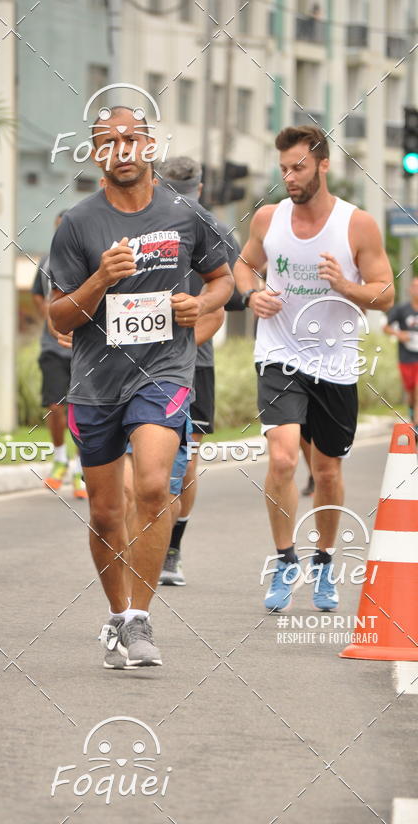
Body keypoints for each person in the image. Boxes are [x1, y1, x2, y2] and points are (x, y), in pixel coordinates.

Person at [49, 106, 234, 668]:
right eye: (109, 142)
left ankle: (140, 619)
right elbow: (59, 315)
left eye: (132, 139)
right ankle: (116, 614)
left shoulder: (184, 214)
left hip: (165, 372)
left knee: (154, 487)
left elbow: (223, 278)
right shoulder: (79, 225)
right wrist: (101, 279)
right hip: (97, 382)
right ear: (96, 153)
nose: (122, 149)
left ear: (149, 146)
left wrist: (199, 304)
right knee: (106, 512)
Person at [234, 125, 393, 613]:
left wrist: (345, 285)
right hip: (280, 353)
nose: (290, 176)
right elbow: (243, 265)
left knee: (326, 470)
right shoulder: (268, 217)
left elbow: (385, 292)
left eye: (299, 166)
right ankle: (285, 560)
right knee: (282, 459)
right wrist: (251, 293)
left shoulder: (357, 224)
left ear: (323, 165)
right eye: (284, 168)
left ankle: (323, 561)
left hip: (336, 361)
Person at [153, 156, 243, 586]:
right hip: (137, 359)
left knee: (182, 457)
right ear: (202, 187)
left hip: (194, 362)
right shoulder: (143, 226)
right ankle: (155, 543)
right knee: (160, 459)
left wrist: (181, 346)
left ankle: (171, 549)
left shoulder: (215, 231)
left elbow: (230, 295)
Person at [32, 212, 86, 499]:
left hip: (85, 349)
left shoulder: (91, 255)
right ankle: (60, 459)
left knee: (81, 409)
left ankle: (80, 468)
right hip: (52, 347)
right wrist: (50, 320)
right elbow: (38, 295)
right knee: (55, 405)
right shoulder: (46, 260)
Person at [384, 275, 418, 432]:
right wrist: (400, 335)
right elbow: (386, 327)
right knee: (411, 395)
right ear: (409, 289)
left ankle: (416, 426)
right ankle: (413, 416)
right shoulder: (401, 309)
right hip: (406, 358)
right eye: (414, 286)